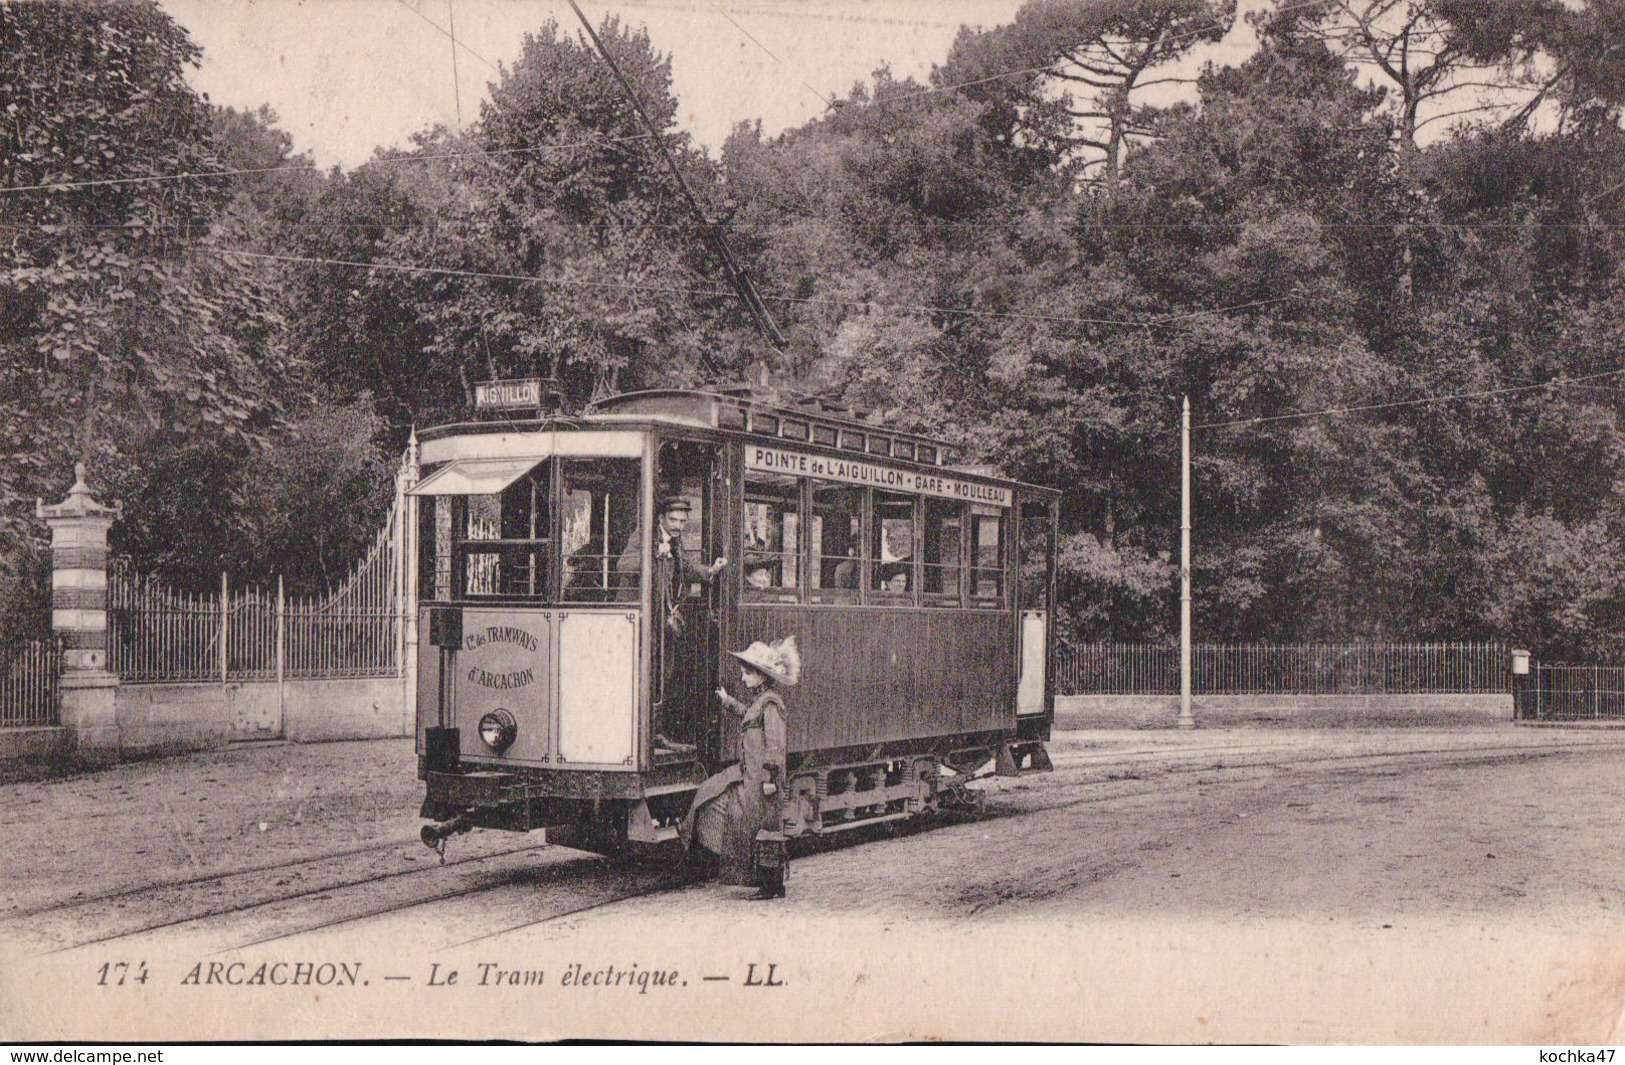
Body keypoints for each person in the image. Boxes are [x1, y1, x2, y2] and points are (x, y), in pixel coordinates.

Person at [681, 635, 800, 900]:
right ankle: (766, 883)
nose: (743, 678)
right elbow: (748, 714)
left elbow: (776, 745)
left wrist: (769, 778)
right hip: (752, 776)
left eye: (747, 674)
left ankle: (771, 887)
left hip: (762, 780)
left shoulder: (771, 704)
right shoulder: (762, 701)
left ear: (761, 676)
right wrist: (728, 701)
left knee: (764, 828)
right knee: (744, 817)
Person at [615, 493, 726, 755]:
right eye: (674, 520)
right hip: (640, 620)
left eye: (682, 521)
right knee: (645, 674)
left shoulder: (676, 542)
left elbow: (685, 567)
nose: (678, 526)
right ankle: (641, 734)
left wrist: (710, 571)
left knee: (663, 674)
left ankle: (656, 734)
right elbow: (623, 565)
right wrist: (653, 554)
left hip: (662, 622)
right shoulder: (644, 536)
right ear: (662, 518)